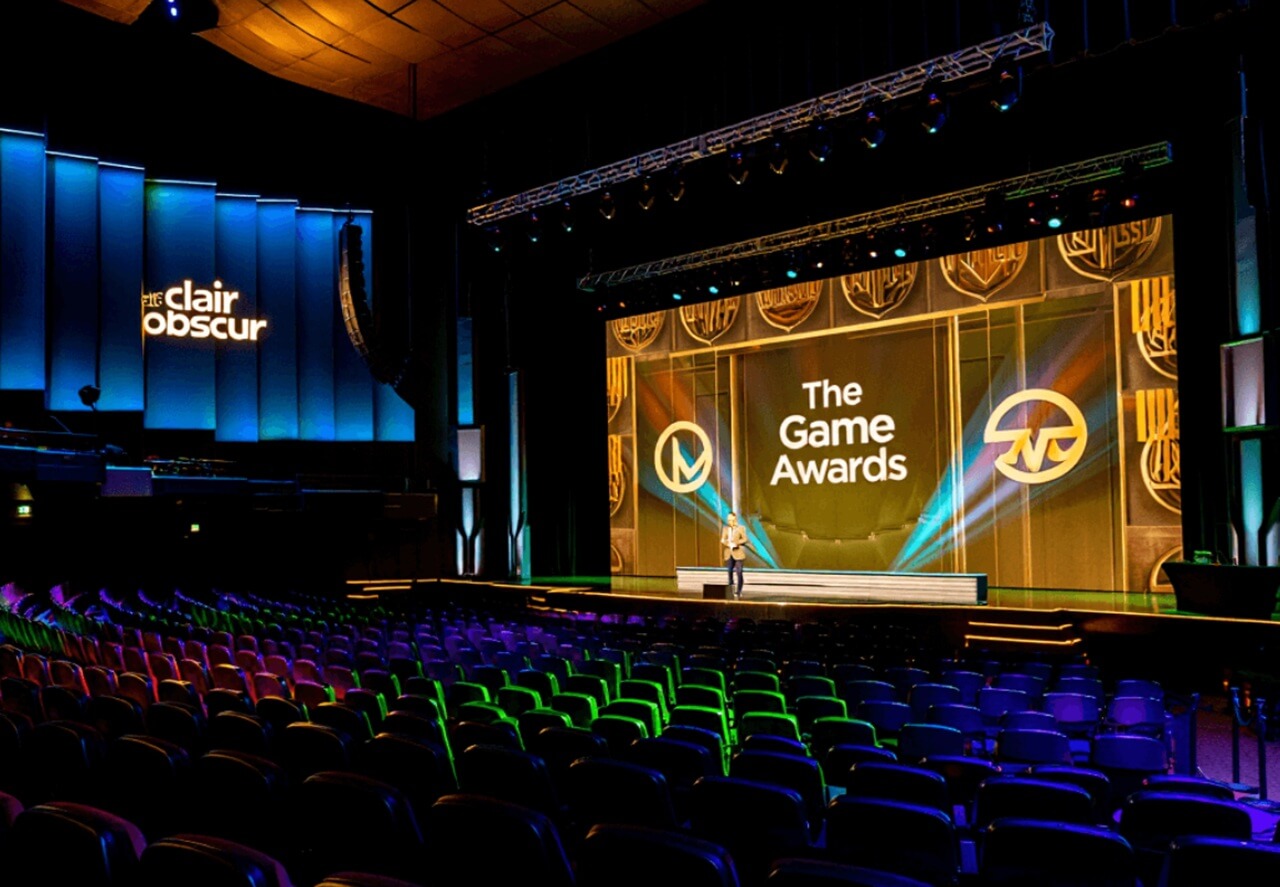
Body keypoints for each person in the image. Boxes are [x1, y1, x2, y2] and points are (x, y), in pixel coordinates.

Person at [720, 511, 748, 599]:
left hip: (738, 553)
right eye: (728, 520)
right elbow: (723, 539)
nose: (729, 521)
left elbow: (745, 539)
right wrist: (726, 543)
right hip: (729, 553)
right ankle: (731, 589)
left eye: (731, 519)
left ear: (734, 519)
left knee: (739, 572)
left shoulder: (740, 528)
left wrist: (736, 543)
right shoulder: (725, 528)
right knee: (729, 571)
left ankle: (739, 591)